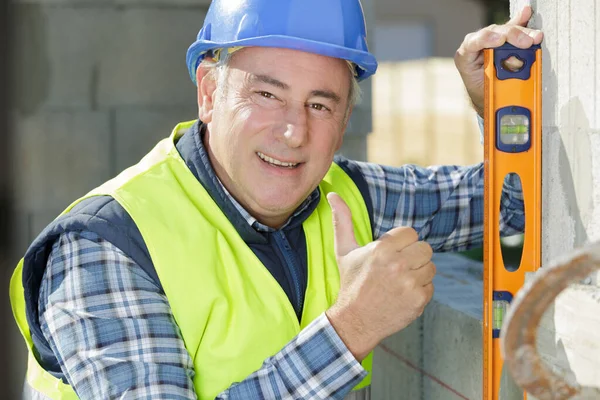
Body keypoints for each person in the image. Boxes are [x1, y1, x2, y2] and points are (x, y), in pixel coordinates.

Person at [10, 1, 543, 399]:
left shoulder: (344, 195)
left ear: (343, 125)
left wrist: (498, 107)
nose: (294, 131)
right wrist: (349, 328)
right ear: (209, 94)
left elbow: (510, 205)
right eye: (267, 95)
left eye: (320, 104)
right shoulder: (106, 246)